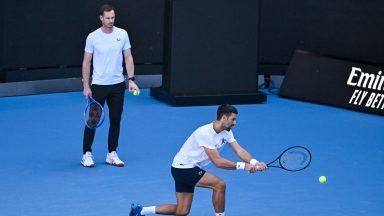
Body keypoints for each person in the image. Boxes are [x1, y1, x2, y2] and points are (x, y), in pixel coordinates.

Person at [130, 104, 267, 216]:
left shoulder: (227, 132)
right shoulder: (205, 133)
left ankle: (141, 211)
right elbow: (217, 162)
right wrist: (244, 166)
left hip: (183, 167)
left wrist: (255, 162)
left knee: (182, 211)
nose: (235, 123)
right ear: (224, 117)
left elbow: (239, 150)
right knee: (220, 184)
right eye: (233, 119)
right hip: (184, 168)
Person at [81, 4, 139, 167]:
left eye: (113, 17)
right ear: (101, 18)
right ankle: (86, 154)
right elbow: (86, 62)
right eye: (107, 18)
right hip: (98, 85)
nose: (111, 21)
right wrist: (86, 85)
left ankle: (111, 153)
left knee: (115, 120)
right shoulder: (92, 37)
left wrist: (131, 79)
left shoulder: (122, 34)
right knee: (93, 120)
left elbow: (128, 58)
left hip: (117, 85)